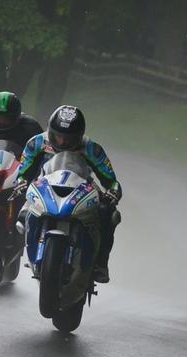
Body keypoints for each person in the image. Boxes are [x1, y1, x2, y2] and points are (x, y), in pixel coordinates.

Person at [11, 105, 122, 284]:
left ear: (79, 135)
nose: (62, 142)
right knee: (22, 214)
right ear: (50, 131)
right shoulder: (37, 143)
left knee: (108, 213)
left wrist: (113, 192)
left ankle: (101, 262)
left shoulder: (92, 149)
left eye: (68, 138)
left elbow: (111, 180)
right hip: (44, 187)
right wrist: (21, 182)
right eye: (58, 136)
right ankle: (24, 252)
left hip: (81, 189)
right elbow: (23, 171)